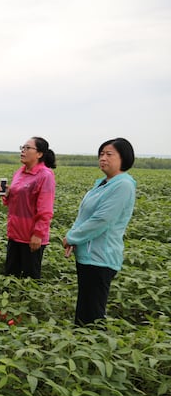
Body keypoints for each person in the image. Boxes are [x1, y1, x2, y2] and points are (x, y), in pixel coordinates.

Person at [63, 138, 136, 326]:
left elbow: (101, 219)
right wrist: (74, 238)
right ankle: (81, 345)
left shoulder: (123, 185)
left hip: (101, 257)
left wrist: (72, 237)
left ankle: (89, 350)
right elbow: (85, 216)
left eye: (109, 154)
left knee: (92, 316)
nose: (103, 158)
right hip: (89, 255)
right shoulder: (104, 183)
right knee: (85, 310)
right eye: (101, 154)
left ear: (124, 158)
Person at [0, 137, 56, 279]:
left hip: (31, 237)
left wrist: (38, 235)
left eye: (27, 148)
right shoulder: (19, 172)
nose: (23, 151)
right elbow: (17, 201)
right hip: (15, 233)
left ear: (39, 154)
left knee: (30, 279)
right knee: (10, 276)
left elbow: (46, 209)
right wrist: (7, 194)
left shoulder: (45, 175)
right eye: (22, 148)